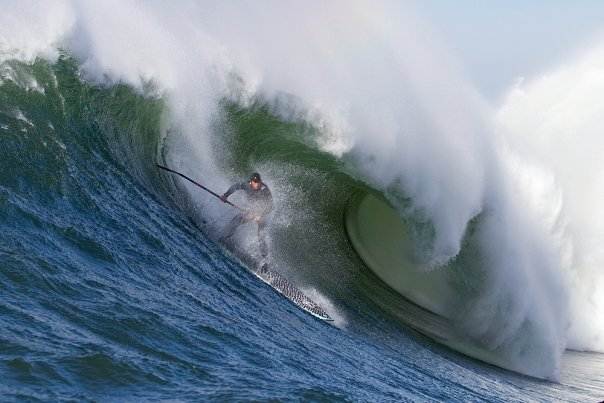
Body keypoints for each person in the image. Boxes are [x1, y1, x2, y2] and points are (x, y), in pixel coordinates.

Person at [219, 172, 273, 258]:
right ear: (251, 182)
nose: (257, 184)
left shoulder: (264, 189)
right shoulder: (246, 185)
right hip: (251, 209)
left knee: (261, 235)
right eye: (255, 182)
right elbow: (235, 186)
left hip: (263, 212)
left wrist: (259, 214)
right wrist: (225, 195)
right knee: (237, 219)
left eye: (258, 182)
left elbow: (270, 206)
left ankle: (265, 259)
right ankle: (225, 237)